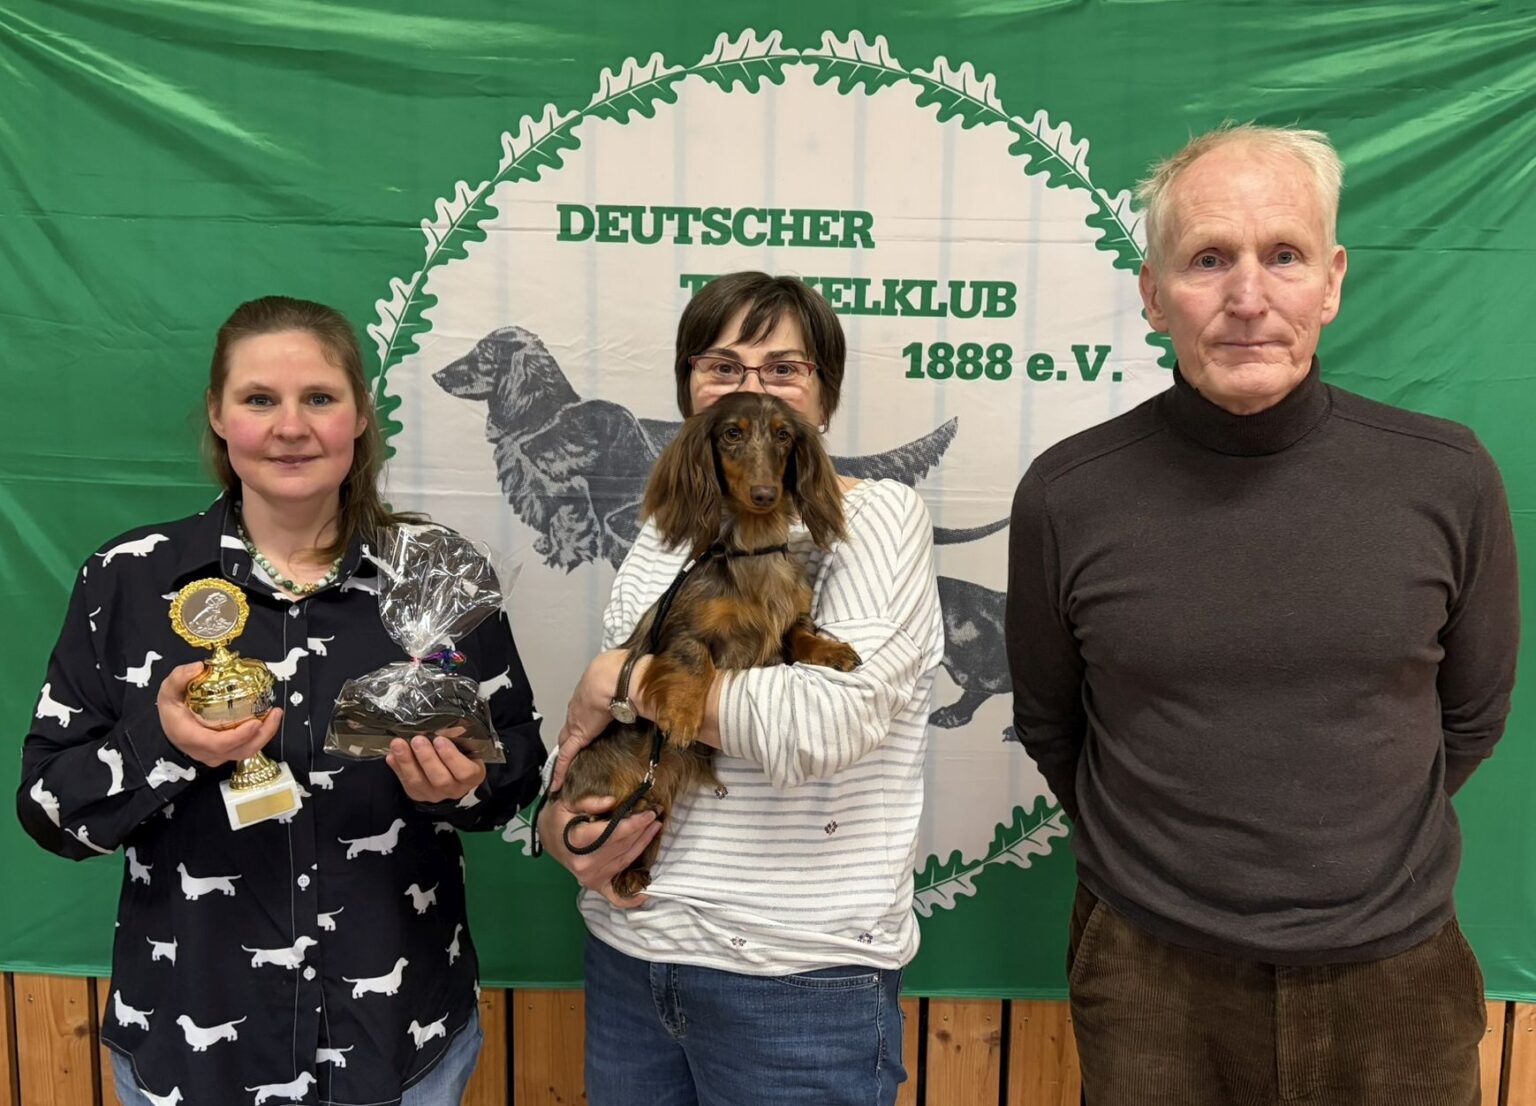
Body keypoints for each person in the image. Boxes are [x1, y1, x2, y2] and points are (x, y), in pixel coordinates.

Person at [1006, 123, 1520, 1105]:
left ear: (1331, 281)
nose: (1248, 297)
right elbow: (1052, 722)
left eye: (1283, 255)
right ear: (1154, 292)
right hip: (1150, 978)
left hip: (1398, 976)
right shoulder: (1069, 495)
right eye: (1208, 260)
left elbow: (1472, 715)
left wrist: (1349, 869)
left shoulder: (1447, 478)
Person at [18, 295, 546, 1106]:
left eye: (319, 398)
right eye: (260, 399)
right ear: (218, 415)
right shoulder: (128, 579)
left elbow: (519, 770)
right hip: (191, 1046)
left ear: (360, 414)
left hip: (400, 1046)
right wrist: (165, 745)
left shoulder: (439, 575)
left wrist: (466, 785)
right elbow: (52, 815)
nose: (290, 427)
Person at [537, 272, 944, 1106]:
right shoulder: (663, 535)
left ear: (822, 397)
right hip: (628, 953)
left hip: (795, 978)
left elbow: (821, 725)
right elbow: (610, 734)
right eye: (722, 367)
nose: (748, 386)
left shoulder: (877, 519)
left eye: (783, 369)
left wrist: (620, 675)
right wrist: (557, 824)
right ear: (691, 390)